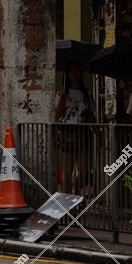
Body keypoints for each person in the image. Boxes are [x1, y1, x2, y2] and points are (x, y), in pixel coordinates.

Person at [55, 62, 95, 193]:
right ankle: (67, 200)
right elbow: (56, 115)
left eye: (77, 70)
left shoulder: (87, 94)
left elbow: (90, 115)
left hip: (82, 132)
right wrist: (61, 99)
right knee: (67, 170)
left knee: (84, 169)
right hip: (66, 131)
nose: (74, 73)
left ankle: (77, 191)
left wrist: (98, 133)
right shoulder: (62, 93)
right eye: (71, 71)